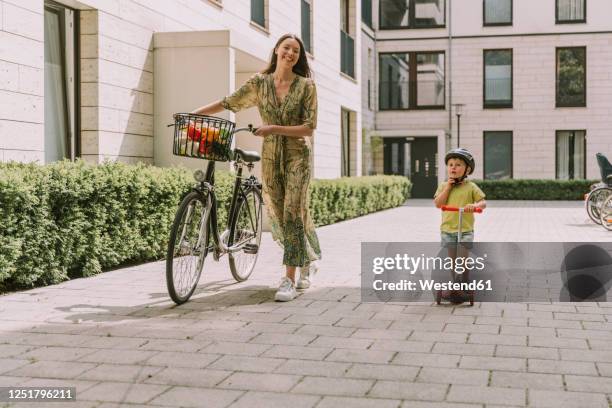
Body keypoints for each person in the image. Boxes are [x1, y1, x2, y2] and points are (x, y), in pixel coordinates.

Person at [191, 34, 321, 302]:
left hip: (297, 155)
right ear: (276, 50)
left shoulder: (307, 86)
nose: (291, 53)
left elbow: (309, 127)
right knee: (278, 212)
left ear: (299, 57)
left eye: (296, 51)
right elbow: (229, 102)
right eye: (287, 48)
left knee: (293, 212)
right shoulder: (259, 84)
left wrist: (273, 128)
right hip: (271, 156)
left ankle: (289, 279)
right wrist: (195, 113)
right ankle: (306, 258)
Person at [433, 148, 486, 303]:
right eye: (450, 164)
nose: (453, 167)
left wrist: (474, 205)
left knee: (462, 259)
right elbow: (438, 203)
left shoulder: (471, 187)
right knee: (453, 260)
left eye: (457, 165)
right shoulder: (444, 186)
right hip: (448, 229)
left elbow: (483, 202)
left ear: (467, 169)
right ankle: (455, 285)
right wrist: (448, 188)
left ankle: (463, 284)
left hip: (465, 230)